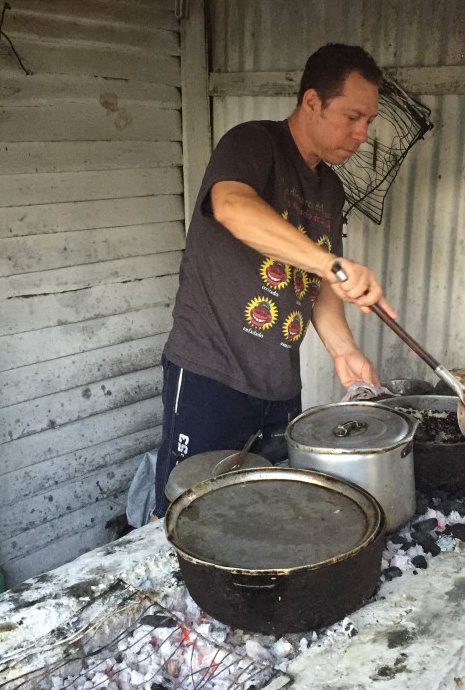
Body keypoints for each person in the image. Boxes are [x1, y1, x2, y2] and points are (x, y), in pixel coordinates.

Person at [152, 43, 396, 517]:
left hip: (280, 386)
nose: (362, 134)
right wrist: (332, 266)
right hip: (210, 374)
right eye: (352, 116)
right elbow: (231, 206)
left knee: (264, 516)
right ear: (311, 102)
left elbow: (323, 283)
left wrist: (345, 351)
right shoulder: (253, 144)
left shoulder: (331, 188)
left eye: (368, 121)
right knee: (188, 512)